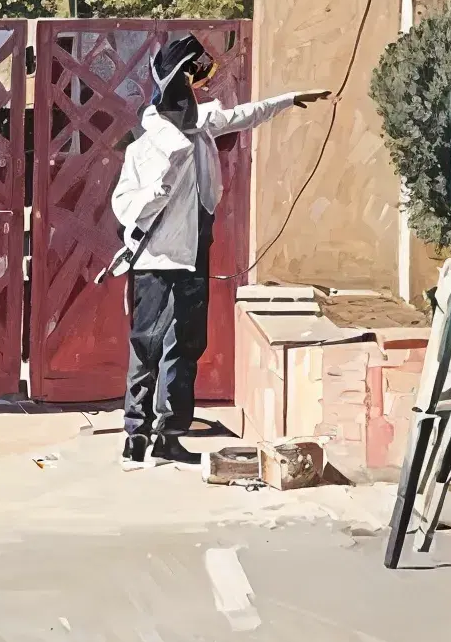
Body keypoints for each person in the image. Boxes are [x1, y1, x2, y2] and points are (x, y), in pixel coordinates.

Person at [112, 44, 329, 467]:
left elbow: (242, 115)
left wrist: (288, 100)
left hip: (194, 256)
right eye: (196, 79)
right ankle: (135, 436)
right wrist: (162, 182)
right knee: (147, 347)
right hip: (156, 262)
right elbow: (124, 208)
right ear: (180, 83)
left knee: (186, 346)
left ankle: (169, 435)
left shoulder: (200, 129)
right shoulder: (145, 149)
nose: (204, 88)